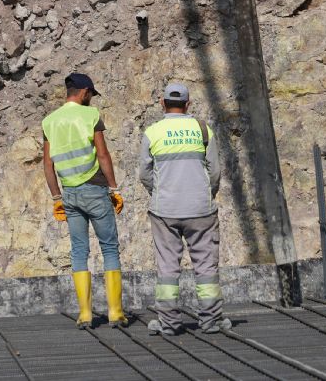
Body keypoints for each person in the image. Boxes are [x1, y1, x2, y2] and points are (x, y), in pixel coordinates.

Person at [138, 82, 230, 335]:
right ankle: (211, 321)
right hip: (201, 210)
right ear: (188, 104)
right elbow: (215, 171)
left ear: (162, 103)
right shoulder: (202, 130)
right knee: (206, 267)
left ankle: (168, 323)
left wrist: (159, 193)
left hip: (164, 211)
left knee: (167, 268)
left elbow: (144, 173)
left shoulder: (153, 132)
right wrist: (206, 194)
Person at [42, 73, 127, 328]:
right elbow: (102, 154)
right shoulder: (91, 115)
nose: (91, 98)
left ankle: (85, 314)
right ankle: (115, 312)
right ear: (84, 92)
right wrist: (114, 188)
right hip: (95, 188)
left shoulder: (49, 121)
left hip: (69, 193)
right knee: (109, 248)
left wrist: (56, 197)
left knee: (79, 250)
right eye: (91, 94)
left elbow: (47, 164)